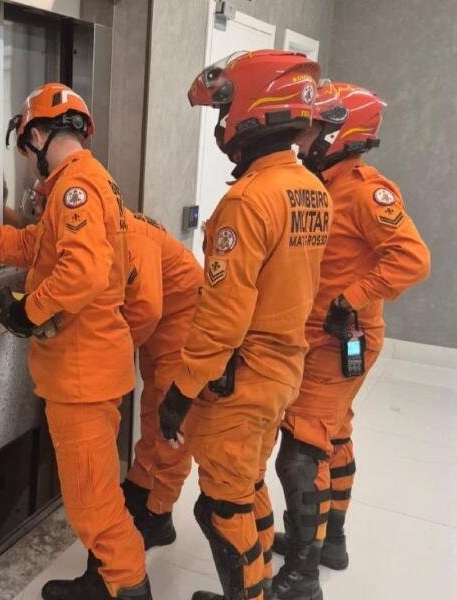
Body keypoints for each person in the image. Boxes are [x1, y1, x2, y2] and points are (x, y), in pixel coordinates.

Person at [157, 50, 332, 600]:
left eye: (221, 110)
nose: (219, 123)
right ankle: (258, 588)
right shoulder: (312, 190)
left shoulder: (248, 201)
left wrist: (180, 393)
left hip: (244, 377)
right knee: (248, 484)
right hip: (284, 370)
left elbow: (222, 319)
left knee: (221, 506)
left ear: (251, 111)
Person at [0, 83, 151, 600]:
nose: (29, 160)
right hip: (88, 368)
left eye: (27, 148)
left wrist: (28, 311)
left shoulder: (77, 187)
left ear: (39, 135)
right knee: (96, 488)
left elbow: (83, 272)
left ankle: (128, 586)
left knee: (93, 502)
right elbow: (33, 247)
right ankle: (106, 577)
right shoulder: (85, 182)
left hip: (82, 373)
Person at [271, 82, 430, 598]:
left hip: (336, 340)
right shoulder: (319, 184)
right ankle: (329, 542)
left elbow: (413, 258)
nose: (302, 136)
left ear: (340, 132)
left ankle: (301, 575)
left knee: (301, 452)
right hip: (322, 337)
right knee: (334, 437)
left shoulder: (364, 191)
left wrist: (350, 298)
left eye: (312, 127)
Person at [120, 210, 204, 549]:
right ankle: (141, 484)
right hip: (163, 318)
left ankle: (160, 515)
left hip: (181, 315)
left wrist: (113, 351)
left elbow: (146, 309)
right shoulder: (117, 220)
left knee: (173, 420)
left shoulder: (128, 236)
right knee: (152, 408)